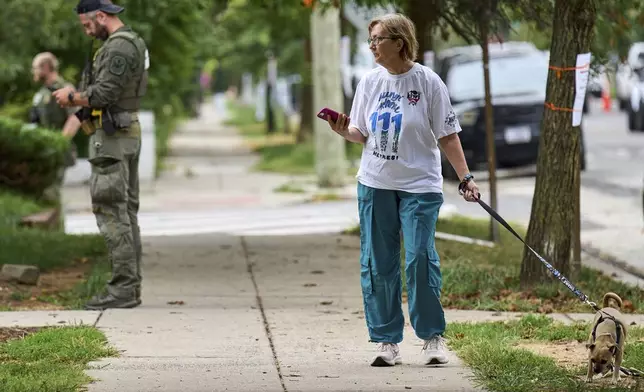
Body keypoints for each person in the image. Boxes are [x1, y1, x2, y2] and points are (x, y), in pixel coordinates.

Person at [326, 13, 480, 367]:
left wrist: (466, 178)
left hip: (420, 186)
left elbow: (447, 134)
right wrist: (342, 130)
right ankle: (386, 341)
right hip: (375, 183)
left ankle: (432, 338)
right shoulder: (369, 83)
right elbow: (360, 133)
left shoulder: (427, 82)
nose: (373, 46)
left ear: (400, 42)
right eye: (371, 40)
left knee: (419, 259)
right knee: (379, 264)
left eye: (378, 39)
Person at [52, 0, 149, 310]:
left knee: (111, 210)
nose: (86, 30)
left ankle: (122, 289)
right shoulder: (128, 41)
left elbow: (105, 93)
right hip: (122, 133)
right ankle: (129, 286)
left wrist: (72, 97)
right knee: (125, 211)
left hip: (112, 138)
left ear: (102, 16)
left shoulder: (118, 47)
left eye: (87, 24)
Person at [30, 52, 81, 214]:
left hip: (57, 151)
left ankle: (55, 231)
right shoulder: (41, 94)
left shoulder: (65, 90)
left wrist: (58, 143)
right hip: (42, 151)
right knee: (42, 193)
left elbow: (75, 118)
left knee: (50, 192)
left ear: (46, 67)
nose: (34, 72)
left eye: (36, 68)